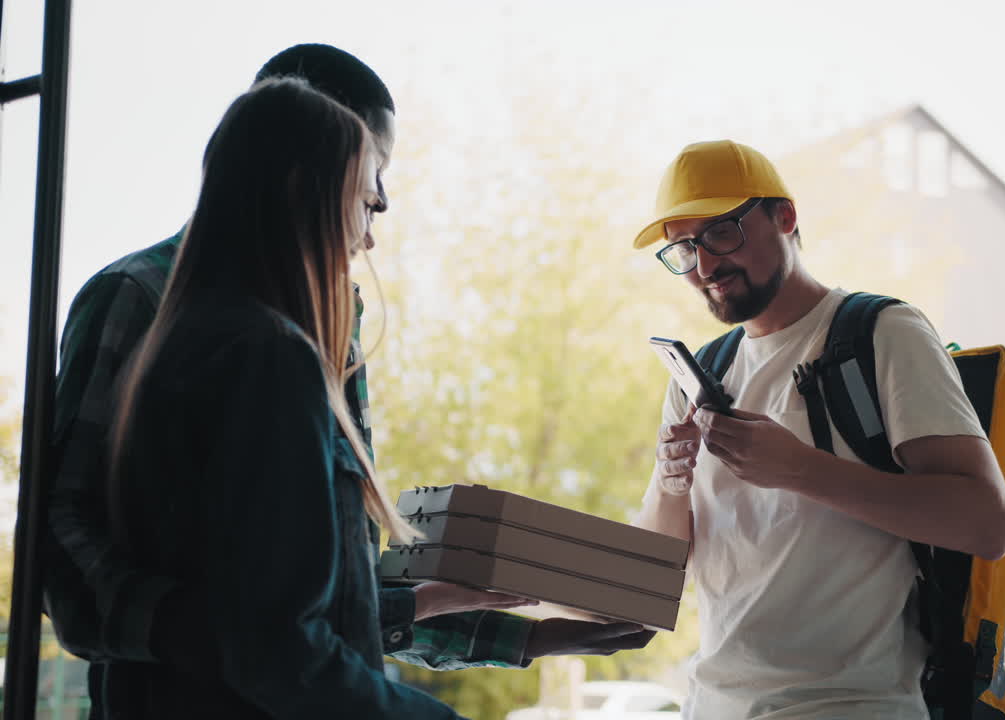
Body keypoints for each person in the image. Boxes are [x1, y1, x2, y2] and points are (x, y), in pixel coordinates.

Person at [44, 44, 650, 719]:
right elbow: (79, 553)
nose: (381, 209)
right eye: (371, 179)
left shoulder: (316, 324)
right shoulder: (160, 304)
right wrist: (243, 644)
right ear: (307, 170)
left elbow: (315, 590)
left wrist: (523, 634)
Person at [632, 140, 1005, 719]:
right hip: (711, 706)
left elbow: (987, 522)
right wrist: (670, 481)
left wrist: (802, 470)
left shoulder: (883, 333)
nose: (705, 265)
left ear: (783, 217)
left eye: (720, 232)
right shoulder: (700, 371)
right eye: (683, 248)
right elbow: (660, 569)